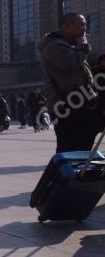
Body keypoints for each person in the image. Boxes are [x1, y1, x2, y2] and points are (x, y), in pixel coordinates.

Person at [40, 13, 96, 153]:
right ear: (69, 26)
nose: (85, 28)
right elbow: (69, 62)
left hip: (79, 103)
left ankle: (77, 174)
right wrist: (83, 46)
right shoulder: (53, 46)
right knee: (69, 150)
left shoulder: (69, 45)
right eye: (82, 24)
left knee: (83, 148)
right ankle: (56, 175)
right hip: (65, 106)